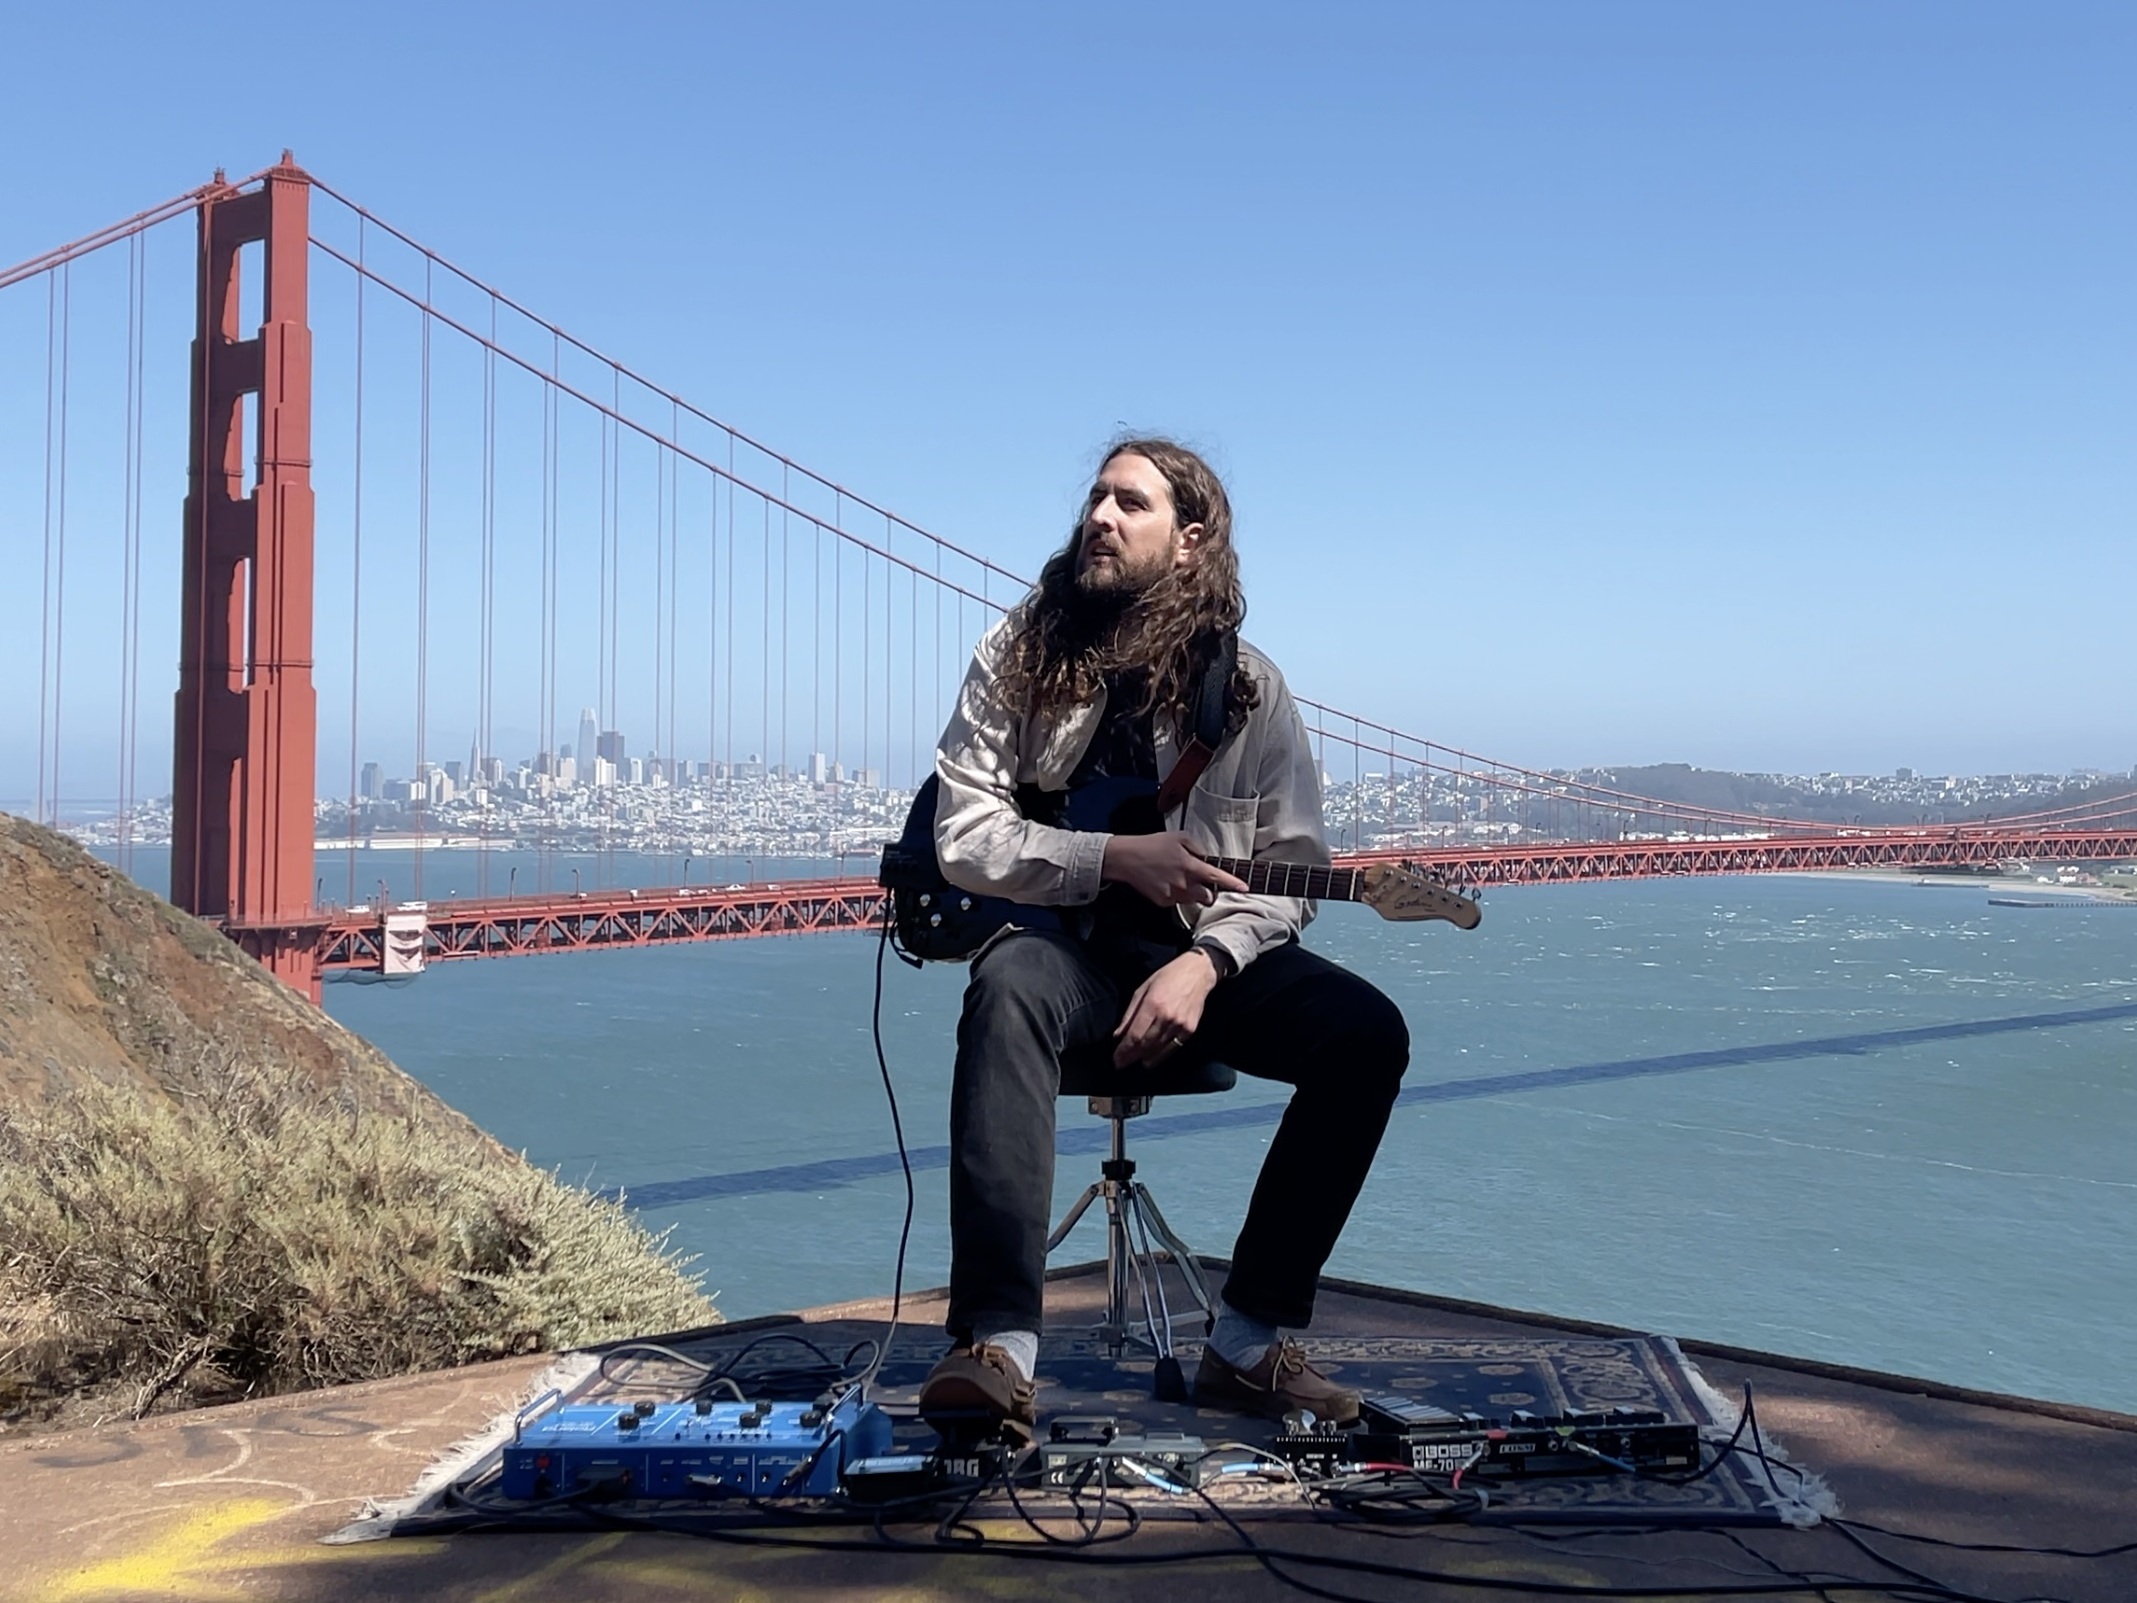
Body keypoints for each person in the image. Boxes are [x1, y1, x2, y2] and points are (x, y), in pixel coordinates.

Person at [917, 436, 1410, 1434]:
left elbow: (1293, 865)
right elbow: (961, 835)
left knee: (1366, 1033)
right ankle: (996, 1348)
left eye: (1127, 504)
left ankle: (1245, 1343)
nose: (1097, 516)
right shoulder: (1017, 656)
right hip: (1062, 954)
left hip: (1192, 955)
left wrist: (1206, 960)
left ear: (1189, 541)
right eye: (1094, 498)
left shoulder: (1252, 690)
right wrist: (1109, 858)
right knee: (1005, 984)